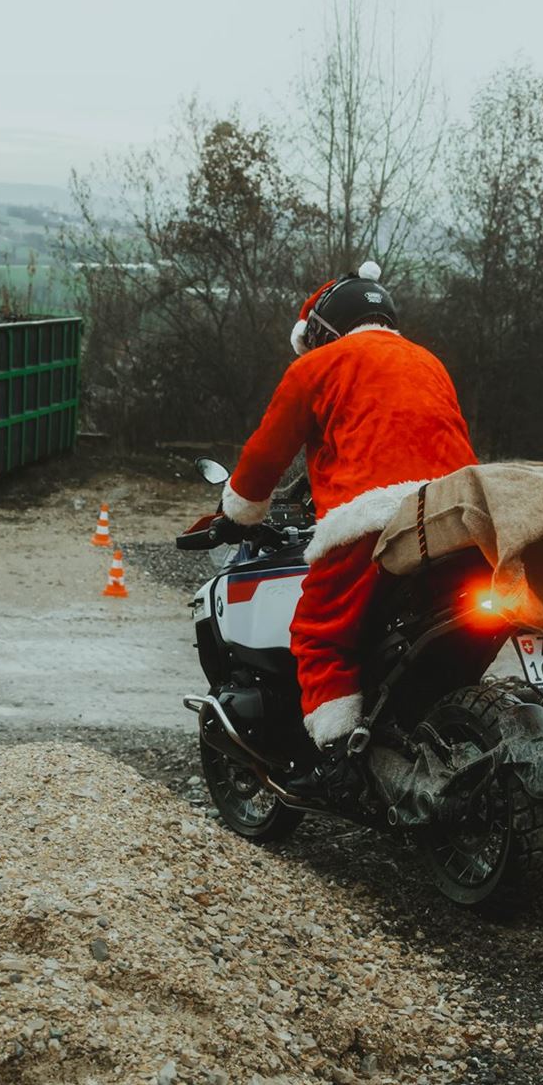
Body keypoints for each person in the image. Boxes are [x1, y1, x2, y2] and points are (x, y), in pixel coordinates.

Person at [220, 261, 478, 786]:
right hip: (458, 518)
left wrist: (238, 511)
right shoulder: (429, 361)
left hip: (373, 521)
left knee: (319, 633)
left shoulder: (318, 367)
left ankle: (339, 760)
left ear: (321, 327)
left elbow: (265, 456)